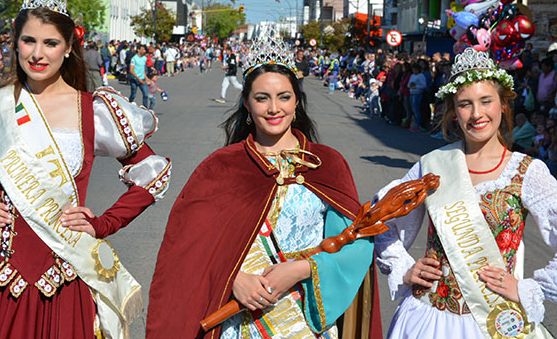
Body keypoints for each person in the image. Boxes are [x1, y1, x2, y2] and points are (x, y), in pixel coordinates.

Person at [0, 0, 172, 339]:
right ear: (16, 43)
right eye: (28, 41)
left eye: (51, 43)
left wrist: (104, 223)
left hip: (65, 269)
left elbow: (152, 174)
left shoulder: (93, 111)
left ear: (69, 47)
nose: (37, 54)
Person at [146, 32, 382, 339]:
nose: (274, 109)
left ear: (297, 101)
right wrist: (233, 279)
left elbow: (355, 243)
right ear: (246, 103)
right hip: (240, 322)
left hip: (306, 322)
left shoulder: (327, 164)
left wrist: (302, 269)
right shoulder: (221, 167)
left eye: (284, 97)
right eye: (262, 98)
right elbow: (186, 251)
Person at [374, 48, 556, 339]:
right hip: (429, 317)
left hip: (496, 320)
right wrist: (405, 268)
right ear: (453, 112)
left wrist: (528, 288)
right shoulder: (432, 165)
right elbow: (382, 221)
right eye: (464, 105)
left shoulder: (526, 171)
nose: (477, 114)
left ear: (503, 105)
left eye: (486, 101)